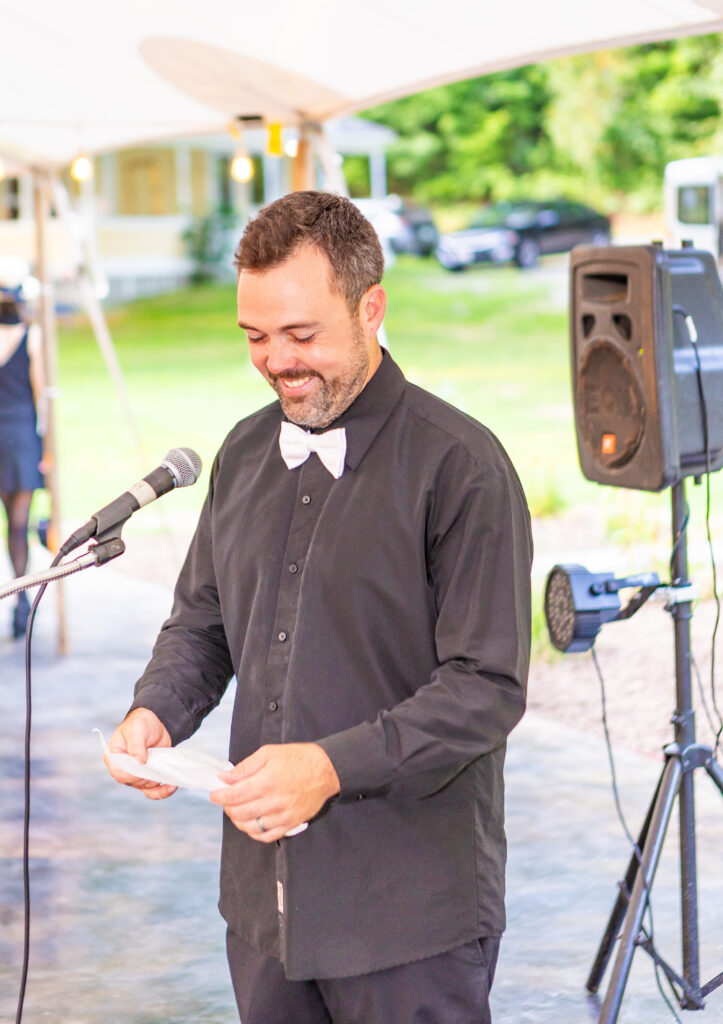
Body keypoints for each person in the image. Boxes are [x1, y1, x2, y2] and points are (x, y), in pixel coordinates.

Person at [105, 190, 532, 1024]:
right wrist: (157, 711)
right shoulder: (240, 451)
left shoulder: (463, 467)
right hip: (261, 915)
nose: (276, 362)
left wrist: (332, 766)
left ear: (371, 308)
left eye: (301, 335)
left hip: (409, 918)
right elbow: (203, 620)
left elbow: (486, 687)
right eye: (256, 337)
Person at [0, 271, 45, 638]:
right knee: (19, 523)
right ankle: (21, 597)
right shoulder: (31, 339)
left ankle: (20, 598)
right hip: (22, 439)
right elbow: (40, 394)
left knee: (11, 524)